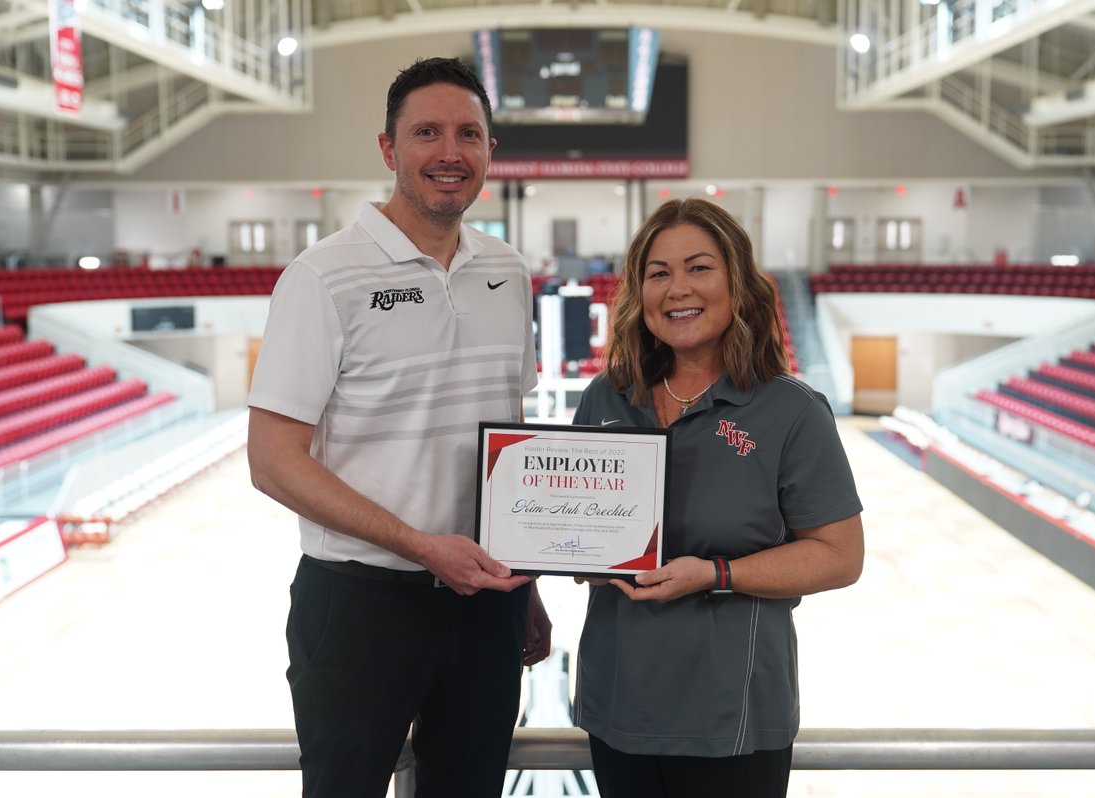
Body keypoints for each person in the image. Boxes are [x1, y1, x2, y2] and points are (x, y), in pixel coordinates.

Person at [245, 57, 551, 798]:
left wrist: (524, 586)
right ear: (389, 149)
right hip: (359, 608)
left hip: (485, 604)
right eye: (427, 133)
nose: (450, 152)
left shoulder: (507, 273)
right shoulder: (323, 278)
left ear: (490, 153)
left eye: (468, 134)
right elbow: (273, 460)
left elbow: (504, 436)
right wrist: (418, 546)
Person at [571, 197, 864, 798]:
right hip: (617, 705)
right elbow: (573, 521)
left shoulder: (791, 410)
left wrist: (715, 573)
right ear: (637, 290)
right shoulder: (607, 396)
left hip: (731, 717)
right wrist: (576, 552)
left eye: (699, 267)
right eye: (658, 272)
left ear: (736, 281)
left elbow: (840, 555)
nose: (678, 288)